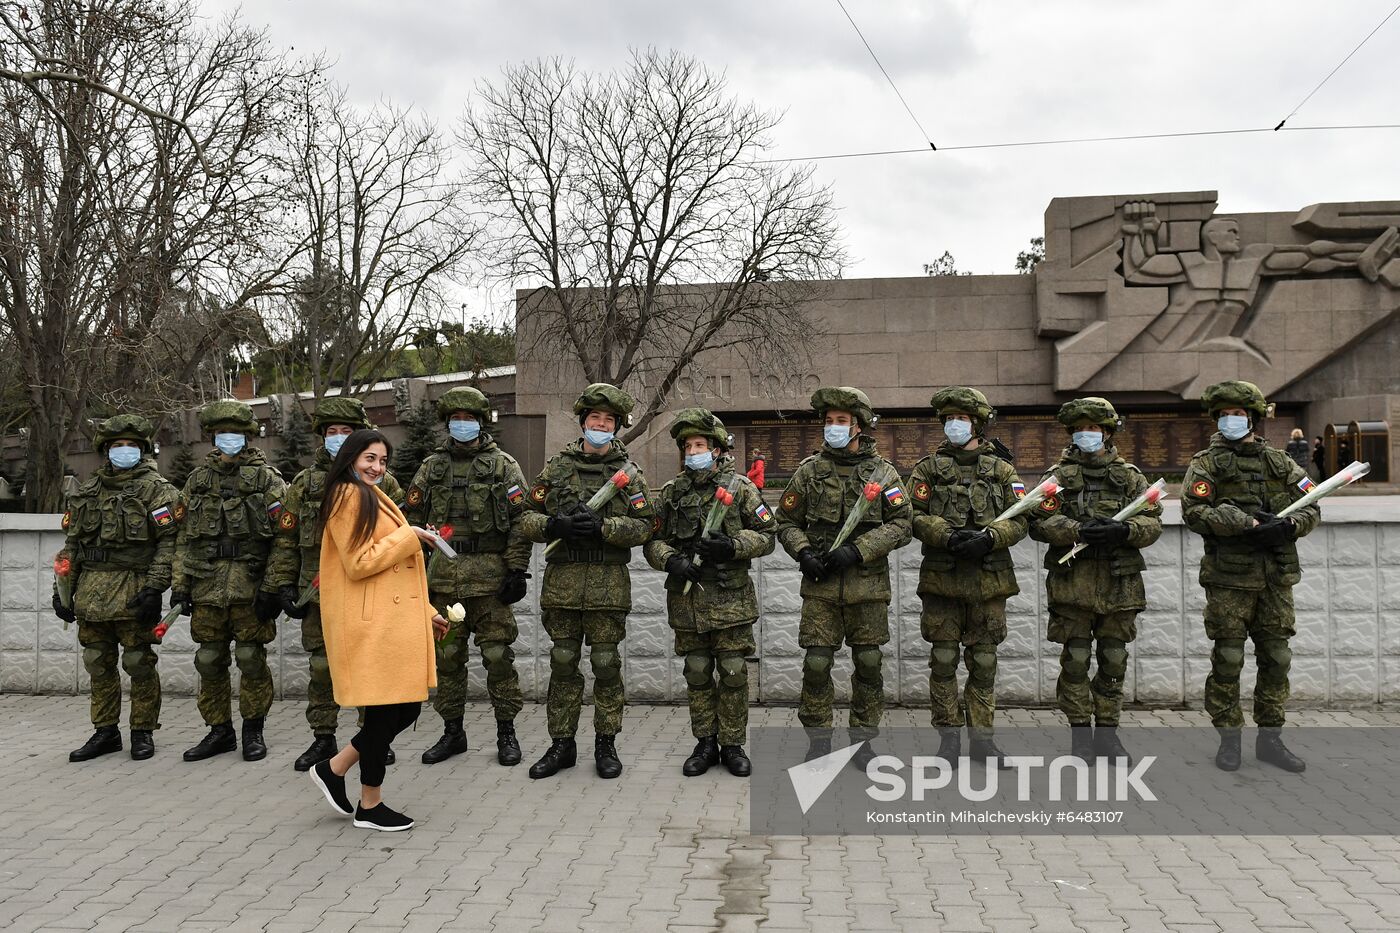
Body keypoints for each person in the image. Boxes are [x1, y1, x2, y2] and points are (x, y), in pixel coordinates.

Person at [307, 429, 446, 831]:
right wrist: (410, 536)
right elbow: (359, 563)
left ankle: (336, 769)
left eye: (383, 461)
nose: (377, 467)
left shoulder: (365, 495)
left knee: (401, 708)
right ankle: (370, 804)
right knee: (389, 712)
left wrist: (428, 613)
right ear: (350, 458)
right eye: (369, 458)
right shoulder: (347, 497)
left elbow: (392, 577)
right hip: (371, 626)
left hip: (387, 622)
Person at [1182, 381, 1321, 773]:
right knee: (1227, 659)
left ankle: (1270, 740)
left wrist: (1289, 526)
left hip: (1275, 577)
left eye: (1239, 414)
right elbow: (1194, 511)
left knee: (1276, 658)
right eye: (1225, 414)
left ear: (1253, 419)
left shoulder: (1279, 462)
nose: (1231, 420)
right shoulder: (1206, 463)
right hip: (1229, 578)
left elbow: (1312, 504)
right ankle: (1229, 740)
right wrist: (1243, 523)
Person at [519, 383, 655, 780]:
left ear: (616, 426)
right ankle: (561, 745)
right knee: (563, 664)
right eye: (594, 418)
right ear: (583, 423)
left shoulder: (628, 474)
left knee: (605, 664)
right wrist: (554, 524)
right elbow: (526, 517)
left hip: (607, 586)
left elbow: (647, 526)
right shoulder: (557, 468)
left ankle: (605, 744)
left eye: (608, 420)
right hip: (562, 584)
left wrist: (606, 526)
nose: (600, 424)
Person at [263, 397, 405, 772]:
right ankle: (322, 739)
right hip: (319, 591)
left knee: (368, 665)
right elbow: (286, 539)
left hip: (367, 591)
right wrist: (283, 584)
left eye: (346, 432)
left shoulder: (383, 481)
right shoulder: (306, 483)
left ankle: (371, 738)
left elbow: (397, 536)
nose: (338, 438)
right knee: (322, 667)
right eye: (331, 432)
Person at [775, 387, 911, 764]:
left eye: (841, 421)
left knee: (868, 663)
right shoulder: (810, 471)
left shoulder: (883, 473)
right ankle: (819, 740)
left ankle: (862, 741)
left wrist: (858, 550)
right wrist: (803, 552)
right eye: (829, 421)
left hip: (867, 586)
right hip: (820, 588)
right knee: (817, 664)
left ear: (859, 426)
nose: (833, 427)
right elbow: (785, 521)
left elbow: (903, 524)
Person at [1027, 398, 1163, 764]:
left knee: (1114, 659)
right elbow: (1037, 522)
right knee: (1075, 659)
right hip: (1073, 583)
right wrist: (1076, 528)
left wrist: (1125, 530)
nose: (1085, 434)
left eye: (1092, 427)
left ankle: (1107, 734)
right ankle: (1079, 735)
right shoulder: (1056, 477)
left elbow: (1153, 522)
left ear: (1107, 431)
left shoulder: (1131, 476)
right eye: (1078, 428)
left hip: (1120, 583)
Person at [404, 387, 532, 767]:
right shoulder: (430, 467)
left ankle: (506, 732)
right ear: (448, 423)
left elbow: (521, 521)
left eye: (468, 418)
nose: (462, 425)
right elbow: (409, 521)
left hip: (490, 581)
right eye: (455, 419)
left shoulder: (503, 465)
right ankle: (452, 732)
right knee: (447, 661)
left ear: (481, 421)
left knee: (497, 656)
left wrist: (516, 569)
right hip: (442, 579)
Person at [643, 409, 774, 777]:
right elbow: (652, 539)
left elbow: (767, 535)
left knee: (733, 672)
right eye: (687, 446)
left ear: (716, 449)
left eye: (699, 445)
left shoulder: (740, 488)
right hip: (688, 602)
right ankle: (704, 743)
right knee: (697, 671)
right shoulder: (671, 493)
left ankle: (733, 745)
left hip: (730, 598)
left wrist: (732, 546)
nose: (693, 451)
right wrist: (671, 561)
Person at [906, 387, 1026, 768]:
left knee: (984, 661)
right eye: (948, 418)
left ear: (977, 423)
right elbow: (913, 513)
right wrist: (946, 535)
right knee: (943, 659)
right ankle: (948, 739)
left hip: (989, 579)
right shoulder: (927, 468)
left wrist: (991, 537)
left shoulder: (1003, 470)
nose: (952, 425)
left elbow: (1023, 517)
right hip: (943, 579)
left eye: (960, 418)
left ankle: (983, 741)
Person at [55, 415, 180, 762]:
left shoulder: (158, 490)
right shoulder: (88, 491)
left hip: (134, 588)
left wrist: (156, 587)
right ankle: (105, 731)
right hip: (92, 592)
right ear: (105, 451)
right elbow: (73, 544)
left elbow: (170, 543)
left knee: (139, 662)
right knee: (97, 661)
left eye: (131, 445)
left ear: (142, 450)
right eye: (116, 445)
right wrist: (63, 589)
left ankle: (142, 731)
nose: (123, 451)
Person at [171, 400, 287, 763]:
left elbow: (283, 540)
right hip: (206, 584)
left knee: (251, 658)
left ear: (248, 436)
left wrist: (274, 586)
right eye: (222, 434)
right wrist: (180, 585)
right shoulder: (197, 481)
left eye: (235, 433)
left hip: (250, 585)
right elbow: (182, 537)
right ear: (212, 437)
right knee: (208, 659)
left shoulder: (268, 479)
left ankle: (253, 729)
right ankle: (218, 731)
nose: (229, 439)